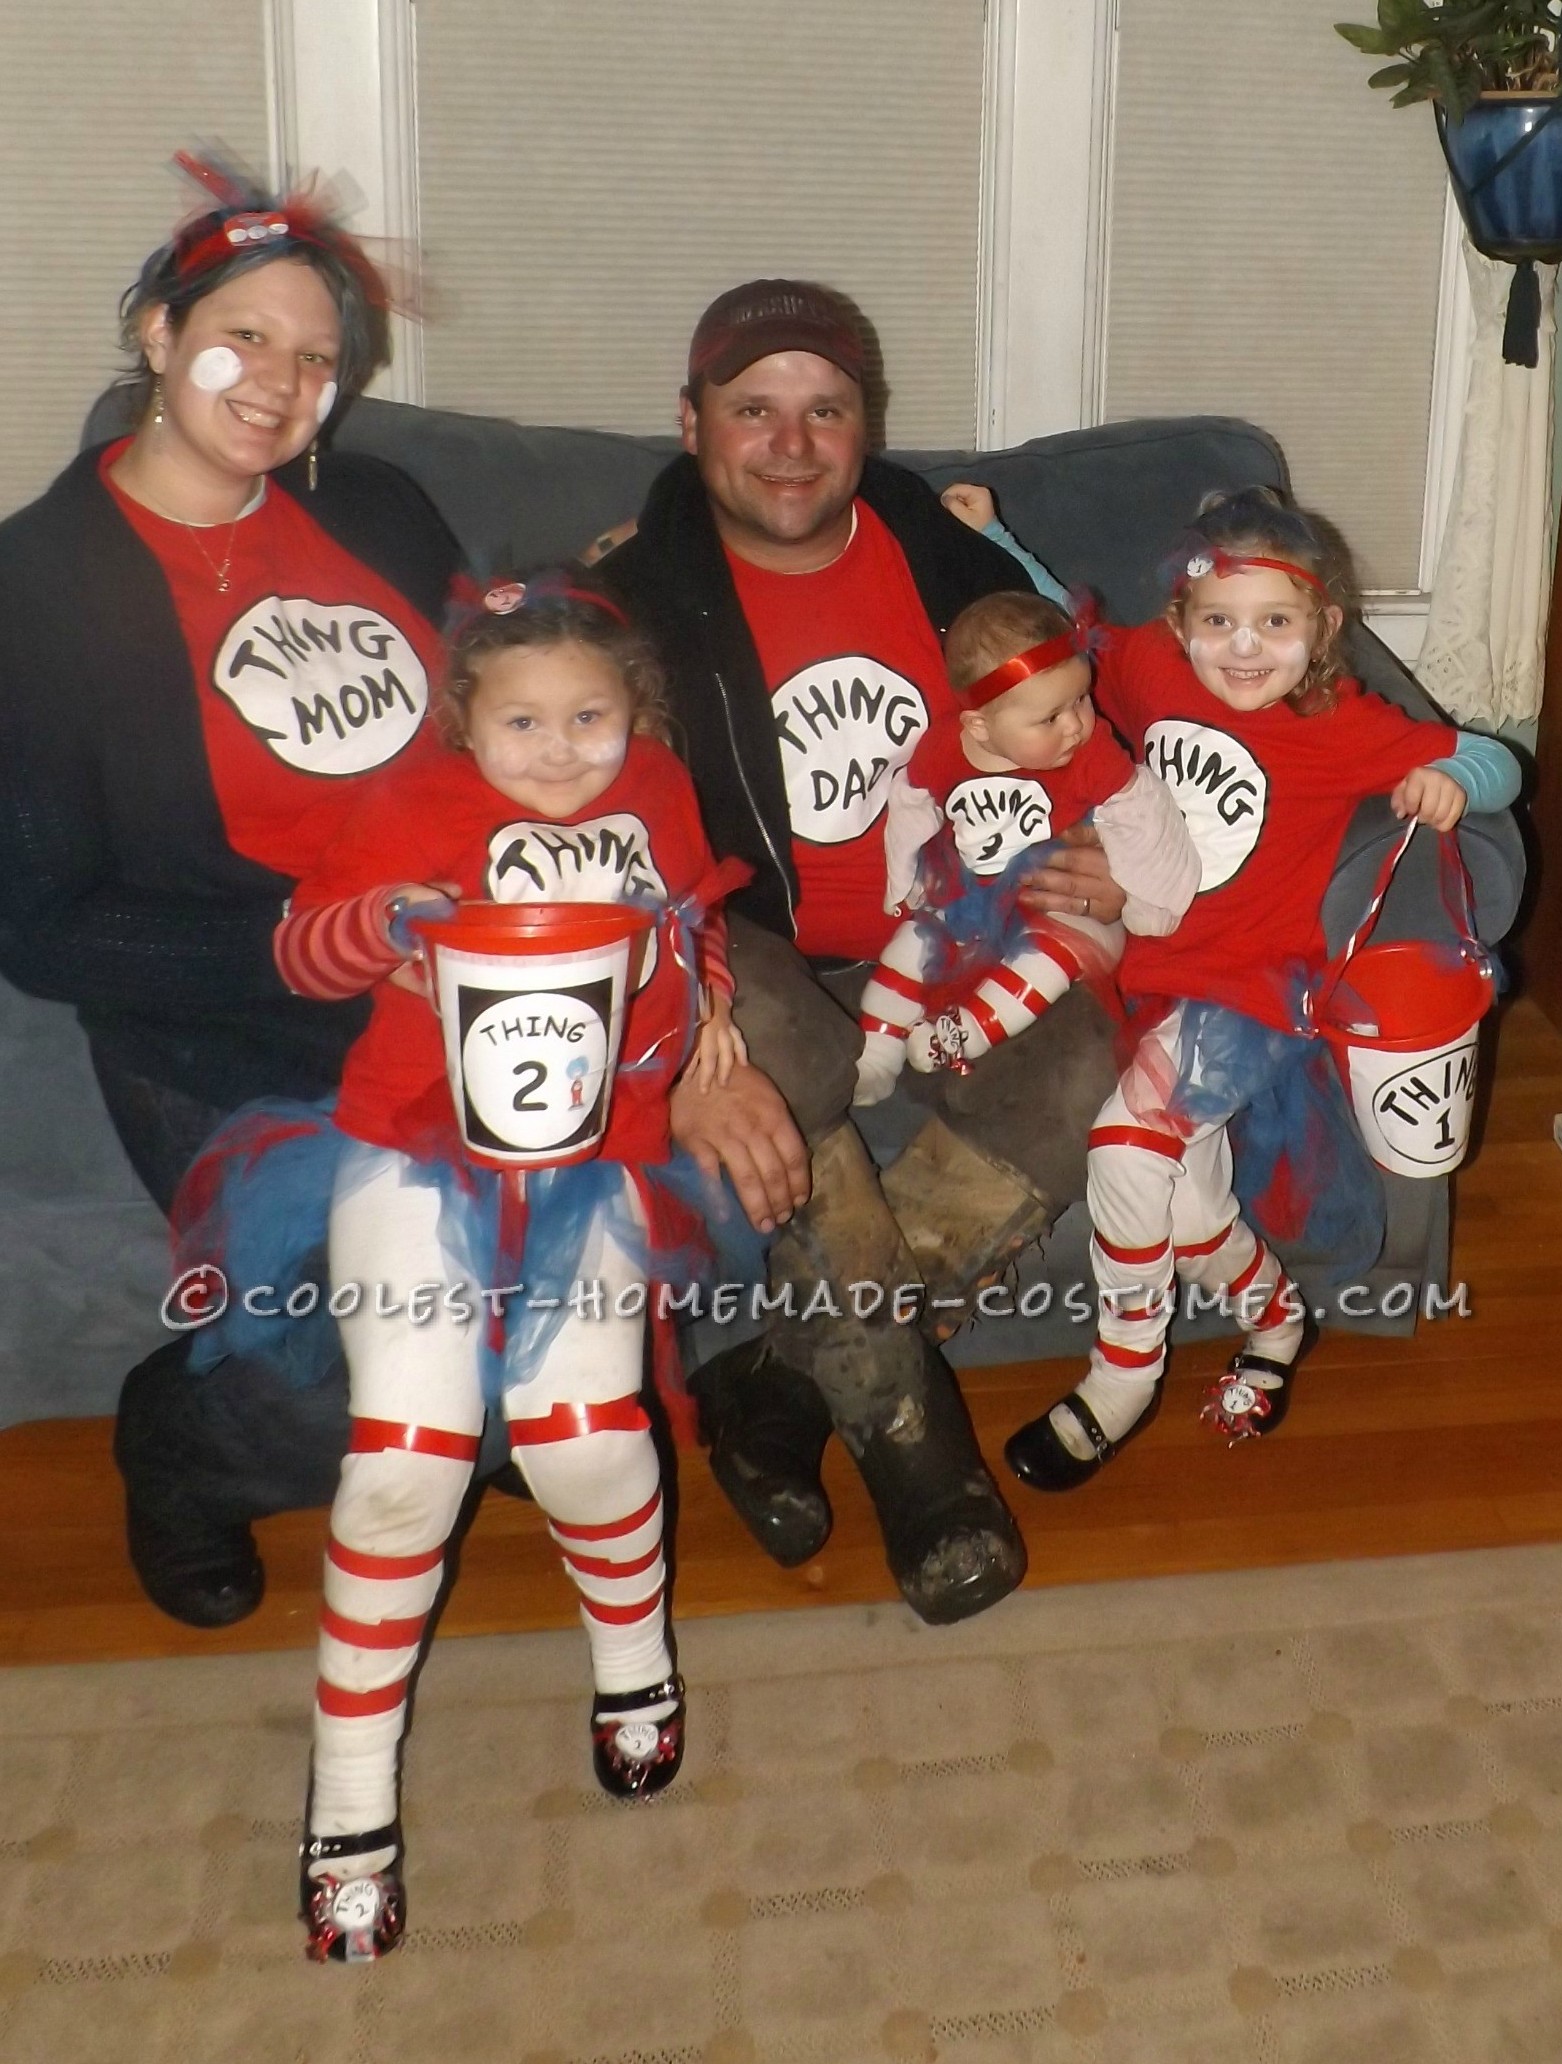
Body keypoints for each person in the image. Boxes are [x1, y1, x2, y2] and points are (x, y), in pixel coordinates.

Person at [601, 279, 1129, 1623]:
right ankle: (918, 1460)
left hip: (949, 936)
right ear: (691, 424)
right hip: (750, 947)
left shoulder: (932, 544)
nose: (791, 441)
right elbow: (577, 822)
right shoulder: (626, 599)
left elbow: (1074, 709)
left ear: (862, 422)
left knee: (1079, 1066)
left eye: (823, 408)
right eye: (753, 409)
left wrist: (1103, 849)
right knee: (792, 1063)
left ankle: (777, 1383)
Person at [236, 577, 740, 1959]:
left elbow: (690, 931)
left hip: (595, 1164)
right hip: (413, 1148)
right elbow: (296, 951)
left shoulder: (658, 795)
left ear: (633, 711)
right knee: (408, 1458)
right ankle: (347, 1801)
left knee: (583, 1437)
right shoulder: (411, 806)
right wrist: (390, 927)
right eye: (524, 721)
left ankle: (634, 1661)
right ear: (466, 721)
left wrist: (703, 1021)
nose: (562, 748)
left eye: (591, 715)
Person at [0, 152, 464, 1626]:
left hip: (459, 985)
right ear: (156, 331)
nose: (280, 382)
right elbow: (42, 925)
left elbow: (494, 735)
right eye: (247, 336)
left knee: (519, 1331)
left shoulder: (379, 512)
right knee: (343, 1386)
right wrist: (305, 949)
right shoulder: (40, 588)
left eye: (318, 357)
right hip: (225, 1024)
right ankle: (180, 1444)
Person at [1003, 487, 1521, 1492]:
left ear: (1322, 627)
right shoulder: (1151, 667)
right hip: (1154, 974)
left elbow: (1498, 760)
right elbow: (1061, 644)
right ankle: (1277, 1323)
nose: (1243, 650)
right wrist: (993, 538)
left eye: (1274, 624)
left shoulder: (1341, 724)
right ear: (1180, 626)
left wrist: (1457, 776)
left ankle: (1121, 1375)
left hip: (1250, 995)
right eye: (1218, 624)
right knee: (1187, 1198)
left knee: (1126, 1144)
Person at [852, 589, 1198, 1103]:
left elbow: (1142, 814)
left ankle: (963, 1032)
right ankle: (876, 1053)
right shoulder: (946, 747)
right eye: (1050, 717)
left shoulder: (1092, 754)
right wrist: (904, 885)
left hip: (1063, 909)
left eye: (1081, 699)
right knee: (909, 946)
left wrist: (1151, 904)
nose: (1077, 724)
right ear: (980, 728)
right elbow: (911, 804)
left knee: (1048, 961)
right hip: (972, 897)